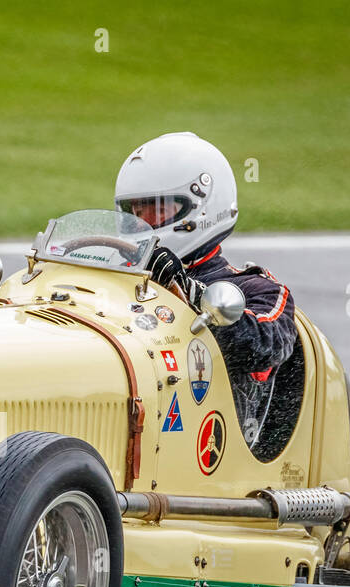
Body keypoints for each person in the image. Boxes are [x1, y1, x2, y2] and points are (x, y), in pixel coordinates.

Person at [115, 133, 297, 411]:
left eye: (156, 211)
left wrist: (191, 293)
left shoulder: (255, 290)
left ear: (201, 210)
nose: (143, 225)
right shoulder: (117, 279)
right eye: (135, 213)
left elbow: (265, 346)